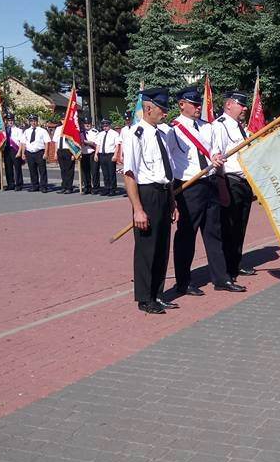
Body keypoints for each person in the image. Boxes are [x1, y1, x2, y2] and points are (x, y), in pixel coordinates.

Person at [168, 87, 242, 296]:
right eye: (193, 104)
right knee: (186, 236)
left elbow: (214, 151)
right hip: (189, 187)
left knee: (214, 233)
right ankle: (183, 282)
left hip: (209, 183)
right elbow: (169, 160)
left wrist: (216, 159)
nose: (198, 107)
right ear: (182, 104)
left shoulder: (208, 127)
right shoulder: (173, 130)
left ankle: (221, 278)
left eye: (199, 103)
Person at [122, 87, 178, 314]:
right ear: (148, 108)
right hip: (148, 195)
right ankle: (145, 298)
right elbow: (129, 174)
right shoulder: (135, 134)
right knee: (147, 248)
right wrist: (138, 209)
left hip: (164, 194)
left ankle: (158, 293)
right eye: (162, 109)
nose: (165, 114)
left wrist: (173, 202)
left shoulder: (162, 134)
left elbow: (168, 172)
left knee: (163, 248)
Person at [215, 91, 259, 284]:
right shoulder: (220, 126)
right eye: (241, 105)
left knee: (240, 225)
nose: (245, 108)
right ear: (229, 105)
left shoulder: (241, 128)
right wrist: (222, 186)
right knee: (229, 226)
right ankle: (226, 268)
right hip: (230, 181)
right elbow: (218, 157)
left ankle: (235, 263)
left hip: (244, 181)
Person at [20, 114, 50, 193]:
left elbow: (47, 142)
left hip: (39, 152)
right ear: (29, 122)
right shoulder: (26, 131)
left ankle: (43, 186)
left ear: (37, 121)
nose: (33, 123)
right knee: (32, 170)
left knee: (42, 170)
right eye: (31, 121)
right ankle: (35, 186)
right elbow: (23, 143)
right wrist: (23, 153)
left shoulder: (42, 131)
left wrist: (46, 153)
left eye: (34, 121)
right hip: (30, 153)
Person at [96, 118, 121, 196]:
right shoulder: (100, 134)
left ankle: (113, 189)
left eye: (106, 125)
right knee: (105, 173)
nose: (105, 127)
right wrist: (96, 154)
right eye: (103, 125)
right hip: (102, 155)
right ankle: (107, 188)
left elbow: (117, 145)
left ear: (109, 125)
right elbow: (98, 145)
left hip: (110, 155)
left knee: (111, 173)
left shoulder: (114, 134)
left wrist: (115, 155)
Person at [2, 112, 25, 191]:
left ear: (13, 120)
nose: (10, 122)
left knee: (17, 168)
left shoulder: (19, 130)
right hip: (7, 150)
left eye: (11, 120)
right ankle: (10, 184)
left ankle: (19, 184)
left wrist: (19, 152)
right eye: (8, 120)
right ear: (6, 121)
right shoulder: (4, 130)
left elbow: (21, 142)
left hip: (15, 150)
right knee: (8, 168)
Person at [52, 121, 76, 194]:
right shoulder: (58, 128)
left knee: (69, 170)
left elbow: (74, 141)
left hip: (68, 150)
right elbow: (56, 141)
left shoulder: (71, 128)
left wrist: (73, 153)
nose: (64, 121)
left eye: (65, 119)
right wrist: (56, 152)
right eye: (62, 119)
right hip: (60, 150)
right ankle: (64, 187)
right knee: (63, 170)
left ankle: (69, 187)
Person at [79, 117, 99, 195]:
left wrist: (85, 141)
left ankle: (95, 188)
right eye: (86, 123)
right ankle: (87, 187)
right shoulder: (80, 132)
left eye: (89, 123)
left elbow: (95, 143)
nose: (87, 125)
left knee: (94, 172)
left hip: (92, 153)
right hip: (83, 154)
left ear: (91, 124)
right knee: (85, 172)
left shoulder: (95, 132)